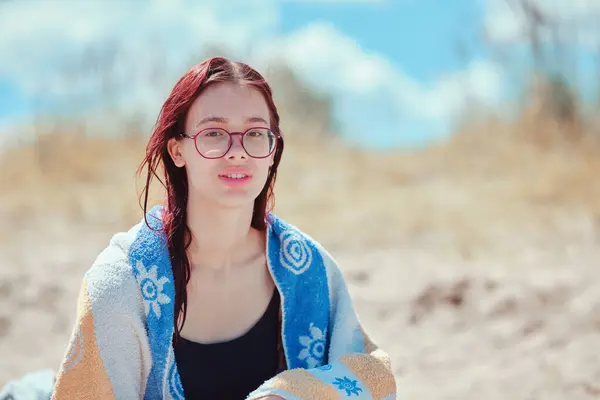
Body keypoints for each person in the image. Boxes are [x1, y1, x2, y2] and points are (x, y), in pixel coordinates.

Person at [50, 56, 397, 399]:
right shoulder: (121, 283)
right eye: (214, 133)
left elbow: (371, 373)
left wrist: (290, 395)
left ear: (273, 150)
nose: (237, 152)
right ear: (177, 150)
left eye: (255, 133)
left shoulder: (311, 270)